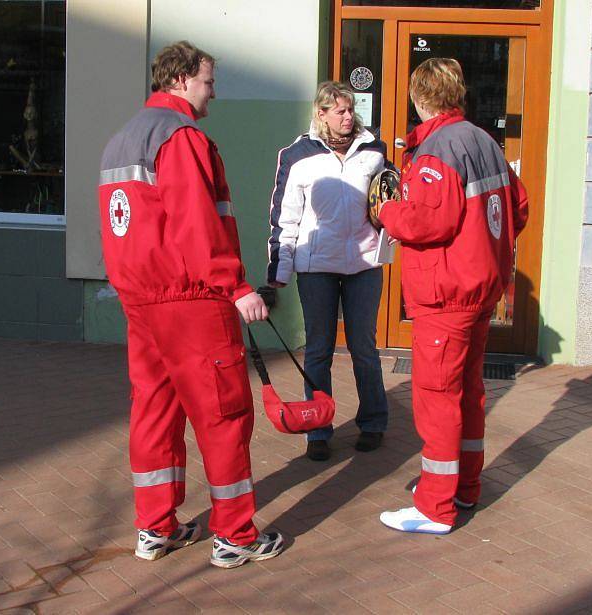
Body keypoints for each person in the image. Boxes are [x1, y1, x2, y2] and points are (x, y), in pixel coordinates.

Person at [98, 41, 284, 568]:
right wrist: (237, 286)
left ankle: (155, 527)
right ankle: (236, 536)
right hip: (191, 301)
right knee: (223, 414)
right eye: (208, 80)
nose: (213, 91)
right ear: (179, 80)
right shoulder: (181, 139)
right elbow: (197, 223)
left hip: (141, 301)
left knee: (154, 411)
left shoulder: (121, 142)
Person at [377, 58, 529, 534]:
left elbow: (429, 222)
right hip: (481, 288)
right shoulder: (484, 141)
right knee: (467, 395)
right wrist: (487, 246)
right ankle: (464, 491)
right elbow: (519, 206)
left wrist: (387, 213)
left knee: (437, 397)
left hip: (448, 295)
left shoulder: (437, 148)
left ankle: (434, 507)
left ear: (419, 98)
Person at [267, 81, 389, 462]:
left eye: (350, 109)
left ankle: (372, 422)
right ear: (321, 114)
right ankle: (318, 428)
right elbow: (284, 219)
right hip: (316, 266)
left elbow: (388, 196)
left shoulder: (374, 149)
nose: (348, 117)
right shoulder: (297, 155)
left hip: (364, 263)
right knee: (318, 350)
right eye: (339, 111)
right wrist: (277, 274)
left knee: (364, 348)